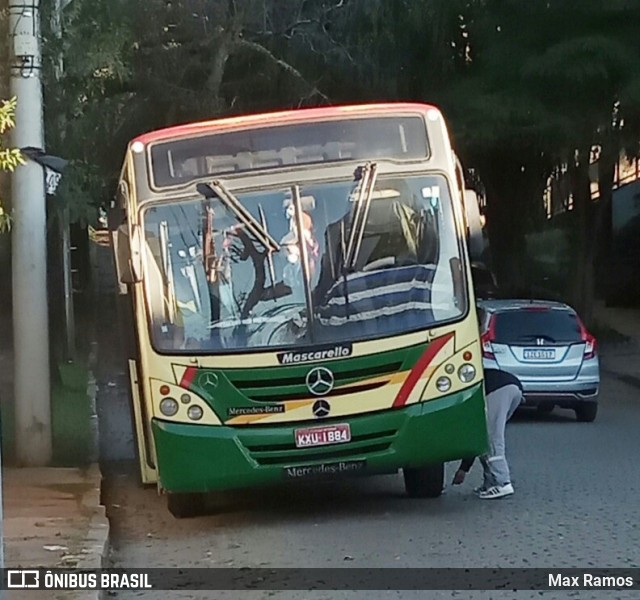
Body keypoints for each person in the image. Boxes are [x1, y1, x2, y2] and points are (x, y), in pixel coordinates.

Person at [452, 368, 523, 499]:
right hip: (515, 388)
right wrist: (464, 469)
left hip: (497, 390)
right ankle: (490, 484)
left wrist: (463, 469)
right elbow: (477, 439)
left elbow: (472, 437)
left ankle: (503, 483)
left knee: (492, 439)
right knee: (486, 436)